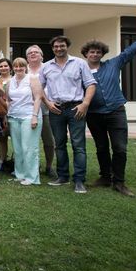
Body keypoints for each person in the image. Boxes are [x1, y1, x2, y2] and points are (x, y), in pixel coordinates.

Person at [83, 18, 136, 197]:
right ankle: (105, 177)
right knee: (101, 147)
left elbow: (133, 49)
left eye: (98, 52)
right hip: (93, 114)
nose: (95, 54)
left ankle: (119, 182)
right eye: (91, 52)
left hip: (116, 112)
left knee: (120, 147)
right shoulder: (80, 70)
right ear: (86, 54)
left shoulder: (113, 64)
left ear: (102, 54)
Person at [41, 35, 97, 194]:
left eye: (61, 46)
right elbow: (39, 88)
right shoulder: (46, 67)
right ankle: (62, 176)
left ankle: (79, 180)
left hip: (75, 109)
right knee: (59, 144)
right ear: (52, 49)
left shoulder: (79, 63)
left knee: (78, 146)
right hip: (56, 109)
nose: (58, 49)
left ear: (67, 46)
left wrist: (85, 103)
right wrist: (47, 102)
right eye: (55, 47)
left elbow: (91, 84)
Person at [7, 57, 44, 186]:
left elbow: (38, 97)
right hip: (14, 117)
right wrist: (7, 115)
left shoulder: (32, 78)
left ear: (25, 67)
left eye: (21, 66)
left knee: (29, 148)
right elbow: (8, 100)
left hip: (29, 116)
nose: (18, 69)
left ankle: (32, 177)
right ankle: (20, 174)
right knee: (17, 148)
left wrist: (34, 116)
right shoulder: (10, 81)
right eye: (15, 66)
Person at [26, 45, 56, 178]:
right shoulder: (23, 68)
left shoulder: (49, 68)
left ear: (41, 55)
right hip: (27, 111)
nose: (33, 54)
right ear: (27, 57)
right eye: (30, 53)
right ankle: (33, 165)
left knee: (49, 141)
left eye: (36, 52)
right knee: (30, 141)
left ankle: (49, 166)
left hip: (46, 110)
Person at [0, 58, 13, 171]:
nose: (3, 68)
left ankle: (16, 161)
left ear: (10, 67)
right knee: (1, 139)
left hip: (13, 113)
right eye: (1, 66)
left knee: (16, 139)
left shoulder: (15, 80)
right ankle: (2, 160)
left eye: (5, 66)